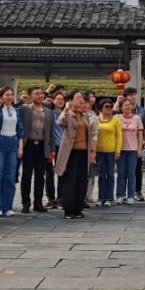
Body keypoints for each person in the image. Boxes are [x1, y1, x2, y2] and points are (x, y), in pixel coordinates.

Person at [55, 91, 98, 219]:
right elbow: (60, 122)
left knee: (81, 180)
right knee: (70, 181)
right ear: (71, 100)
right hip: (70, 153)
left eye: (81, 98)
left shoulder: (84, 116)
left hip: (84, 152)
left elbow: (92, 135)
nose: (81, 100)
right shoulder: (68, 114)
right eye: (78, 97)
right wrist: (65, 109)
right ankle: (69, 210)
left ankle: (78, 209)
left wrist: (92, 151)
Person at [0, 87, 25, 217]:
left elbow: (20, 130)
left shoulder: (16, 111)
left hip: (13, 144)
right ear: (1, 96)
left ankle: (8, 206)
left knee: (10, 177)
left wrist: (20, 147)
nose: (10, 97)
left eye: (11, 94)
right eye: (7, 95)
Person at [20, 86, 52, 214]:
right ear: (30, 96)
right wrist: (21, 100)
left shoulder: (48, 111)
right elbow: (13, 107)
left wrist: (52, 150)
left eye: (41, 93)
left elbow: (51, 131)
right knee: (26, 175)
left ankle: (38, 202)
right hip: (28, 145)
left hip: (42, 146)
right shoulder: (25, 108)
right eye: (37, 93)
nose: (40, 95)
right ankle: (25, 203)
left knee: (40, 176)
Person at [117, 87, 145, 201]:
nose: (133, 97)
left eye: (135, 94)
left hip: (135, 146)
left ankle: (136, 192)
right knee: (121, 173)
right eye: (131, 95)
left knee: (136, 171)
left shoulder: (141, 111)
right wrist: (117, 102)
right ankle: (121, 194)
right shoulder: (118, 115)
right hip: (122, 147)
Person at [94, 99, 121, 207]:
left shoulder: (116, 120)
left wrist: (118, 151)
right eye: (106, 106)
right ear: (101, 108)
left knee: (110, 175)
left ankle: (110, 198)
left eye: (110, 106)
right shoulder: (96, 119)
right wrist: (93, 151)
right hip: (99, 152)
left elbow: (119, 137)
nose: (109, 108)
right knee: (101, 176)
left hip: (111, 152)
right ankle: (101, 198)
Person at [46, 90, 66, 209]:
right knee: (49, 173)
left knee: (61, 172)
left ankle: (60, 198)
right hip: (51, 146)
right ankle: (51, 198)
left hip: (63, 147)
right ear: (53, 101)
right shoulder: (49, 113)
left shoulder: (67, 114)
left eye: (62, 99)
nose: (60, 101)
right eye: (57, 99)